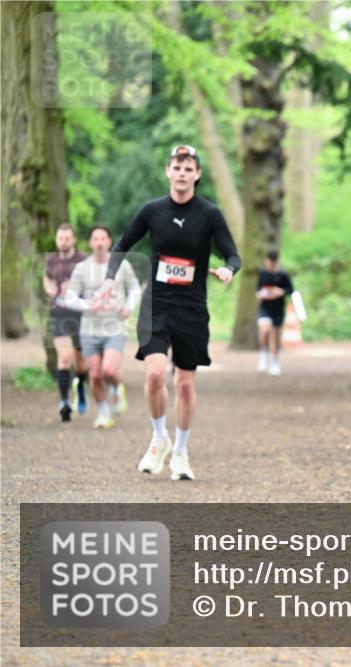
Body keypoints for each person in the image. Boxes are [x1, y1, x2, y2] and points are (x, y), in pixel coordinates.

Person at [98, 144, 240, 480]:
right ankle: (159, 437)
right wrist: (108, 280)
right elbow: (122, 244)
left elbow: (232, 254)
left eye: (189, 168)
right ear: (168, 172)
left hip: (191, 308)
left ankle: (181, 451)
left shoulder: (209, 214)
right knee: (154, 375)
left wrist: (229, 270)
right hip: (156, 304)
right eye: (177, 167)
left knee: (186, 385)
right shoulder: (152, 211)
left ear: (197, 175)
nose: (182, 173)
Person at [62, 226, 142, 429]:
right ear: (90, 243)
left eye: (103, 239)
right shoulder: (82, 268)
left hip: (115, 327)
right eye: (95, 239)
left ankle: (116, 388)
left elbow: (134, 288)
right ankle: (104, 412)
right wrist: (88, 305)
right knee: (95, 374)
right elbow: (69, 297)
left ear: (109, 242)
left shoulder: (121, 266)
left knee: (109, 370)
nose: (99, 243)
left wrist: (129, 307)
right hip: (89, 329)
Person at [44, 224, 88, 422]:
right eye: (60, 238)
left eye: (67, 238)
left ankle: (80, 389)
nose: (63, 242)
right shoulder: (51, 260)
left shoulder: (83, 260)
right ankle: (64, 402)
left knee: (80, 363)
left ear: (74, 239)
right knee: (65, 357)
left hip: (80, 315)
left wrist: (75, 287)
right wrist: (50, 288)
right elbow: (46, 278)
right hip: (59, 314)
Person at [255, 250, 294, 376]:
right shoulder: (262, 273)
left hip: (278, 307)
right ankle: (263, 353)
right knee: (264, 329)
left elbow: (290, 289)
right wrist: (261, 294)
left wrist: (280, 291)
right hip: (265, 307)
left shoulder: (283, 274)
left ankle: (275, 361)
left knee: (276, 335)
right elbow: (258, 289)